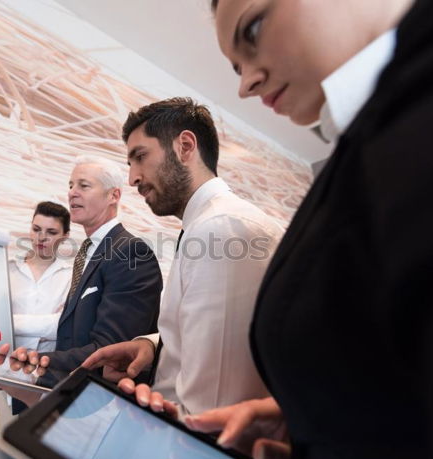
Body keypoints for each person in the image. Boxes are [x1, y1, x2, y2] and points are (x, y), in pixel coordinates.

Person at [182, 0, 433, 459]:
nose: (245, 83)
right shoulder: (372, 137)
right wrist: (312, 418)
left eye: (253, 29)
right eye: (235, 66)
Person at [82, 97, 283, 416]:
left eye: (140, 157)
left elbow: (213, 405)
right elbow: (217, 334)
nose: (133, 177)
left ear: (185, 146)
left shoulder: (220, 229)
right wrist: (152, 346)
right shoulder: (207, 226)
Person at [0, 156, 163, 405]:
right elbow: (71, 336)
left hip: (99, 404)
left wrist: (6, 369)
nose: (72, 193)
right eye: (71, 185)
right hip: (69, 397)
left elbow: (109, 354)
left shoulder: (130, 251)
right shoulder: (89, 252)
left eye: (83, 185)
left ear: (113, 195)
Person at [8, 201, 71, 353]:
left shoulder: (72, 277)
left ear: (65, 236)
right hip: (2, 361)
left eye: (51, 232)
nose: (41, 237)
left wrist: (10, 321)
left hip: (45, 367)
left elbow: (63, 327)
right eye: (36, 229)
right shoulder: (7, 269)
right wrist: (48, 324)